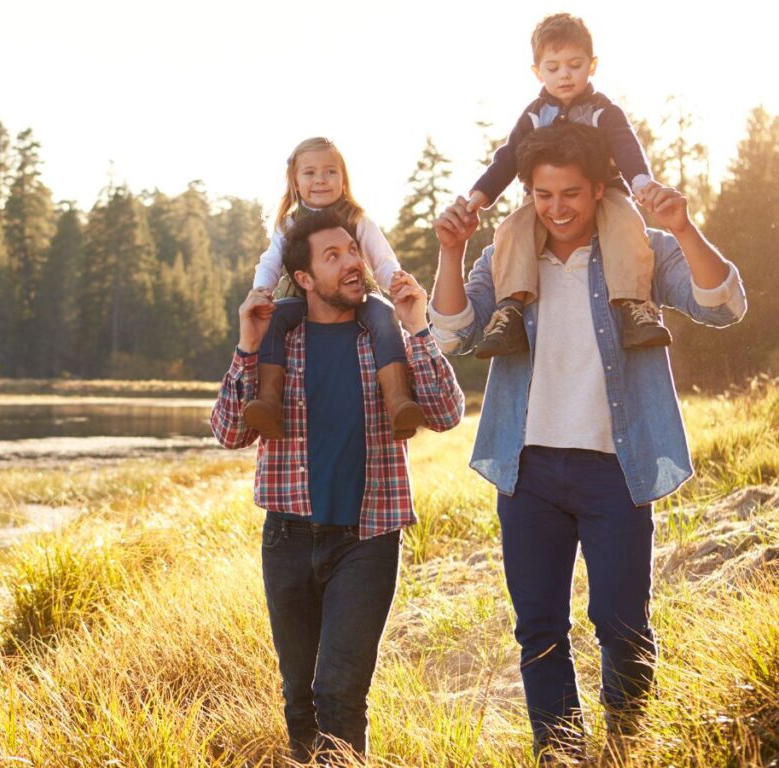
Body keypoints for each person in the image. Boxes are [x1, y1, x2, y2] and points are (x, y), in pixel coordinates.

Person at [429, 123, 746, 762]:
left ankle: (626, 743)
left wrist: (684, 227)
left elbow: (722, 304)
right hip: (530, 471)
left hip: (616, 469)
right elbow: (452, 337)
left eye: (570, 193)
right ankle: (561, 752)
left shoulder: (639, 248)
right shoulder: (507, 256)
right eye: (543, 196)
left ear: (598, 188)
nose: (557, 209)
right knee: (539, 628)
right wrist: (450, 254)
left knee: (622, 625)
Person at [211, 209, 464, 763]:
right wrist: (247, 343)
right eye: (334, 257)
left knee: (339, 696)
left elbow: (445, 415)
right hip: (288, 538)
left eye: (353, 250)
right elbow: (230, 432)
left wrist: (418, 324)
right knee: (299, 700)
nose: (354, 262)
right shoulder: (282, 340)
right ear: (303, 279)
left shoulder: (384, 336)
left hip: (367, 541)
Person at [465, 12, 671, 359]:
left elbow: (625, 145)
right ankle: (510, 311)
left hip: (605, 191)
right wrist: (479, 195)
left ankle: (635, 306)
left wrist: (641, 182)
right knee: (512, 229)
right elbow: (508, 157)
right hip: (545, 197)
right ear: (537, 72)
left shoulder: (602, 110)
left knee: (626, 223)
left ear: (592, 66)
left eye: (574, 65)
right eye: (554, 67)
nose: (564, 75)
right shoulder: (534, 115)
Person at [243, 136, 424, 441]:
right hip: (297, 298)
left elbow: (381, 259)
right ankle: (270, 402)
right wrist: (261, 290)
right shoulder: (287, 224)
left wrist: (396, 282)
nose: (321, 180)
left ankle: (398, 401)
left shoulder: (356, 217)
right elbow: (271, 261)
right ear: (295, 182)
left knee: (383, 316)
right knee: (274, 320)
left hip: (355, 295)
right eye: (310, 173)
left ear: (343, 178)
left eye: (330, 172)